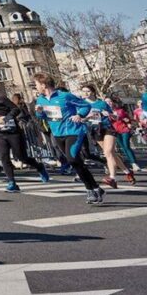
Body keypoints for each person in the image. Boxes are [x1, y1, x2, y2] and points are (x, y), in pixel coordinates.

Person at [34, 73, 103, 204]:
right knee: (75, 162)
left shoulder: (64, 96)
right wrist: (39, 112)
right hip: (58, 134)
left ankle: (90, 190)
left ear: (43, 85)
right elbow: (44, 117)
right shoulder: (40, 100)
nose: (36, 87)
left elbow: (85, 106)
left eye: (37, 84)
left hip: (73, 131)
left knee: (72, 159)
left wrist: (79, 115)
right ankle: (96, 188)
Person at [0, 78, 48, 192]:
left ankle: (39, 167)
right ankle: (12, 182)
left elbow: (16, 109)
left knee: (21, 157)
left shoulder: (0, 97)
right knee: (4, 157)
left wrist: (6, 118)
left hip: (12, 131)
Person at [81, 85, 135, 188]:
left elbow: (115, 117)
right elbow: (81, 119)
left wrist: (108, 114)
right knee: (112, 154)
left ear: (93, 92)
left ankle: (112, 178)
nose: (85, 93)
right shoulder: (83, 105)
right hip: (95, 130)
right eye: (83, 91)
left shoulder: (102, 103)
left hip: (107, 128)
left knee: (108, 152)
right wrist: (88, 116)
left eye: (87, 91)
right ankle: (128, 172)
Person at [108, 96, 141, 174]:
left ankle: (134, 163)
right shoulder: (106, 112)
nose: (108, 103)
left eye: (110, 101)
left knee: (126, 146)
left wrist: (128, 122)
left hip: (124, 130)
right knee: (123, 147)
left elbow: (128, 118)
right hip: (115, 131)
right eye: (106, 102)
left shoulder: (120, 110)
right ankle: (130, 162)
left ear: (113, 102)